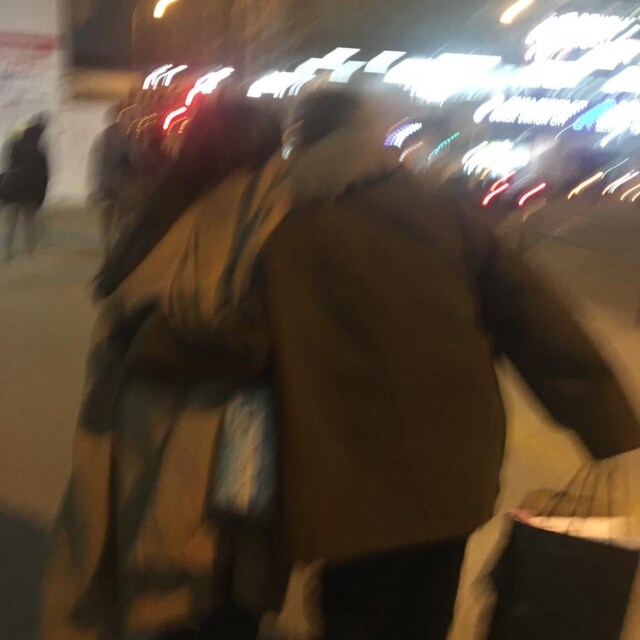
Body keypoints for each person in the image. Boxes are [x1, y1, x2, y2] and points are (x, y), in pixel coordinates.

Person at [251, 91, 639, 639]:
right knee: (425, 608)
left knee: (350, 606)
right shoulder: (445, 216)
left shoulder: (284, 232)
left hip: (340, 476)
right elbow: (533, 317)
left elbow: (242, 340)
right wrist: (606, 421)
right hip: (449, 466)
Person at [42, 98, 283, 640]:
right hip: (220, 424)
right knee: (207, 579)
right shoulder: (262, 210)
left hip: (135, 414)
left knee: (139, 559)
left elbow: (121, 304)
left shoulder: (163, 209)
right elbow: (253, 334)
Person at [1, 115, 49, 261]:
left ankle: (8, 250)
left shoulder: (15, 144)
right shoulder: (39, 152)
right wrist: (41, 195)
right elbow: (43, 175)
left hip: (13, 189)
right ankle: (28, 249)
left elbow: (8, 163)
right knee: (28, 220)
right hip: (30, 191)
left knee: (12, 221)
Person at [89, 105, 136, 251]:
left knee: (111, 216)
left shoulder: (106, 136)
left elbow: (98, 161)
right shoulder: (126, 135)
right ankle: (115, 244)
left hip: (111, 183)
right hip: (120, 184)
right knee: (119, 216)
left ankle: (110, 244)